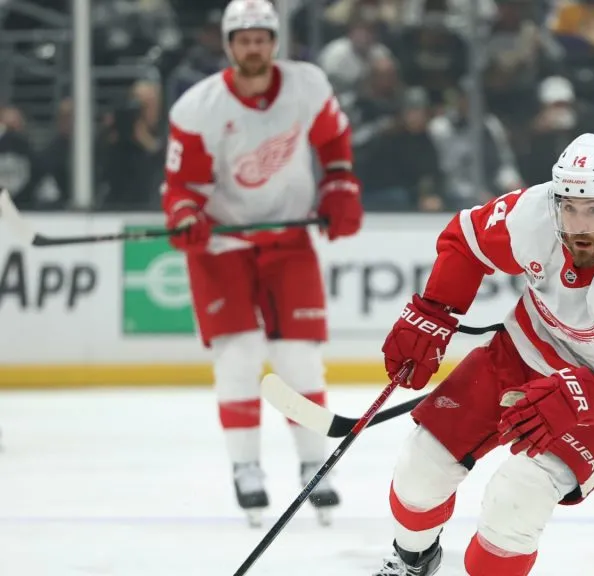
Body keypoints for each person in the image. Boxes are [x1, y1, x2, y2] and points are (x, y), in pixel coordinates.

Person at [372, 133, 594, 576]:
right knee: (420, 472)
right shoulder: (534, 212)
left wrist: (587, 397)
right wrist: (433, 312)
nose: (578, 224)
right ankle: (412, 563)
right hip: (522, 351)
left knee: (516, 500)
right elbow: (466, 240)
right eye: (569, 207)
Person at [160, 0, 363, 527]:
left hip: (288, 239)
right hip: (221, 246)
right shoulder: (197, 108)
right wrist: (186, 215)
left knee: (298, 360)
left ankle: (315, 468)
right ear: (228, 45)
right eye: (242, 38)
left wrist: (340, 183)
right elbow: (182, 187)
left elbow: (334, 141)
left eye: (261, 37)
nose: (253, 47)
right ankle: (246, 467)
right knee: (239, 354)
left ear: (275, 42)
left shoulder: (308, 85)